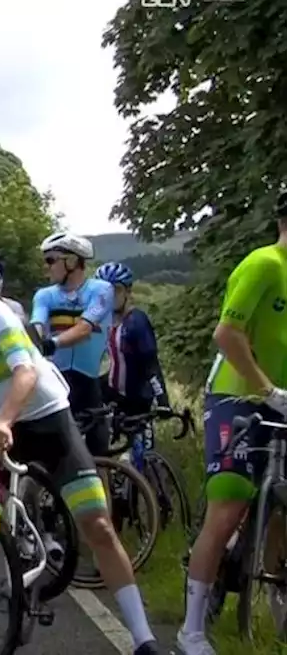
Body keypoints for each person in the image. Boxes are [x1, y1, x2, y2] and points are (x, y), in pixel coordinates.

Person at [0, 247, 162, 655]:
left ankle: (143, 639)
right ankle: (1, 547)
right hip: (4, 423)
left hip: (47, 418)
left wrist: (3, 420)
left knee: (97, 524)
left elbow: (25, 372)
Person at [177, 193, 288, 655]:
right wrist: (267, 390)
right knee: (228, 505)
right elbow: (226, 333)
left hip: (284, 401)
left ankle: (279, 617)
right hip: (237, 396)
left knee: (284, 506)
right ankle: (192, 631)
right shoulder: (265, 263)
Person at [31, 232, 114, 456]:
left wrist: (51, 343)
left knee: (99, 454)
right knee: (52, 454)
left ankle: (104, 490)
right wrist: (33, 340)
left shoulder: (102, 290)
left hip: (92, 381)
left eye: (51, 260)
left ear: (72, 261)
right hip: (58, 381)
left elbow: (85, 328)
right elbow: (37, 325)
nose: (46, 267)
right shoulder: (44, 295)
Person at [95, 262, 171, 416]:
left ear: (128, 292)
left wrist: (163, 401)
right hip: (110, 396)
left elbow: (151, 365)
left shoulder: (136, 322)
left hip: (137, 401)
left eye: (116, 290)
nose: (110, 296)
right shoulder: (101, 321)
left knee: (138, 438)